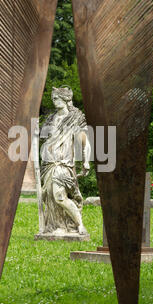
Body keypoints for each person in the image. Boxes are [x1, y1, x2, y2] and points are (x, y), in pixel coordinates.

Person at [40, 86, 91, 235]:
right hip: (48, 163)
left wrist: (86, 161)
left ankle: (79, 224)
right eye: (53, 99)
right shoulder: (51, 119)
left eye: (56, 98)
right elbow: (45, 140)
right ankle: (59, 227)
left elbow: (85, 142)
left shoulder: (75, 118)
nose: (54, 101)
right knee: (49, 196)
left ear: (65, 99)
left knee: (59, 196)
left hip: (64, 163)